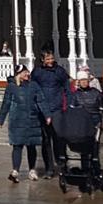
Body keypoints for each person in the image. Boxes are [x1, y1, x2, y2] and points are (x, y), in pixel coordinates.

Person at [52, 70, 103, 192]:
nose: (84, 82)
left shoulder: (96, 93)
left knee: (93, 150)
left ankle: (95, 170)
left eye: (86, 80)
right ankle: (83, 170)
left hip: (94, 124)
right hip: (81, 124)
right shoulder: (75, 95)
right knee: (81, 147)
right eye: (82, 80)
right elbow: (72, 111)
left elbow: (102, 108)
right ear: (79, 82)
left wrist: (99, 122)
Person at [0, 64, 47, 182]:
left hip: (32, 120)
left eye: (28, 72)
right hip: (17, 121)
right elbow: (6, 103)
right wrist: (1, 119)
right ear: (19, 74)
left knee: (31, 146)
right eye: (25, 72)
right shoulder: (11, 87)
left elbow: (41, 100)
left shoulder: (34, 86)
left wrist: (47, 115)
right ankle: (15, 171)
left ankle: (32, 170)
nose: (28, 74)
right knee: (17, 146)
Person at [31, 49, 71, 178]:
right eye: (47, 59)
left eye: (51, 58)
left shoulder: (59, 71)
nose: (50, 61)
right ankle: (49, 168)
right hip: (42, 110)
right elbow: (32, 89)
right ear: (42, 60)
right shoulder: (37, 72)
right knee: (45, 140)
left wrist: (69, 104)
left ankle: (61, 164)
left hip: (57, 109)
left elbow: (67, 88)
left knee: (59, 138)